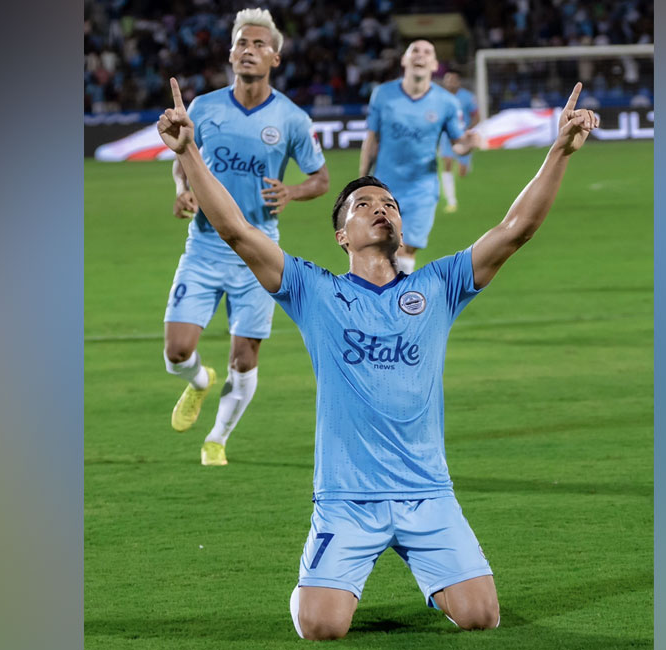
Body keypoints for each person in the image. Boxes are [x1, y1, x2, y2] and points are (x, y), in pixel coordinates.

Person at [160, 73, 599, 638]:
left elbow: (516, 229)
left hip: (427, 493)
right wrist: (190, 152)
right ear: (341, 235)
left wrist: (559, 150)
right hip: (347, 499)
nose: (382, 209)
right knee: (320, 627)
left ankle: (422, 561)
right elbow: (238, 230)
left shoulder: (440, 285)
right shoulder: (312, 290)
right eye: (364, 204)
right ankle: (324, 580)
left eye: (389, 204)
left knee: (481, 616)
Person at [165, 8, 329, 466]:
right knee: (177, 353)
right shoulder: (204, 108)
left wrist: (292, 191)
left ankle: (216, 438)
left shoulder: (292, 119)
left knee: (244, 358)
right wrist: (182, 191)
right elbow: (183, 160)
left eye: (259, 44)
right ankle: (198, 382)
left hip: (258, 249)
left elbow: (321, 178)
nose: (249, 50)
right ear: (231, 53)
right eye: (242, 43)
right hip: (203, 245)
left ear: (275, 57)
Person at [358, 40, 480, 275]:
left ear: (434, 65)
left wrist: (470, 145)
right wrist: (360, 184)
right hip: (383, 188)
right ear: (404, 60)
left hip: (421, 191)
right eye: (414, 50)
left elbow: (458, 146)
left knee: (405, 250)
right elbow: (371, 140)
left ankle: (395, 303)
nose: (420, 55)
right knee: (381, 249)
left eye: (427, 52)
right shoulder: (383, 95)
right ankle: (393, 301)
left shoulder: (446, 102)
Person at [436, 68, 480, 213]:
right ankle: (451, 201)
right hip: (446, 137)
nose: (450, 82)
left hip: (463, 137)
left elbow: (476, 116)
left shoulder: (467, 97)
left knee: (462, 173)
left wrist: (469, 130)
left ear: (458, 82)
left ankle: (467, 163)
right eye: (448, 80)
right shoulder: (439, 98)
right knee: (447, 164)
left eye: (453, 80)